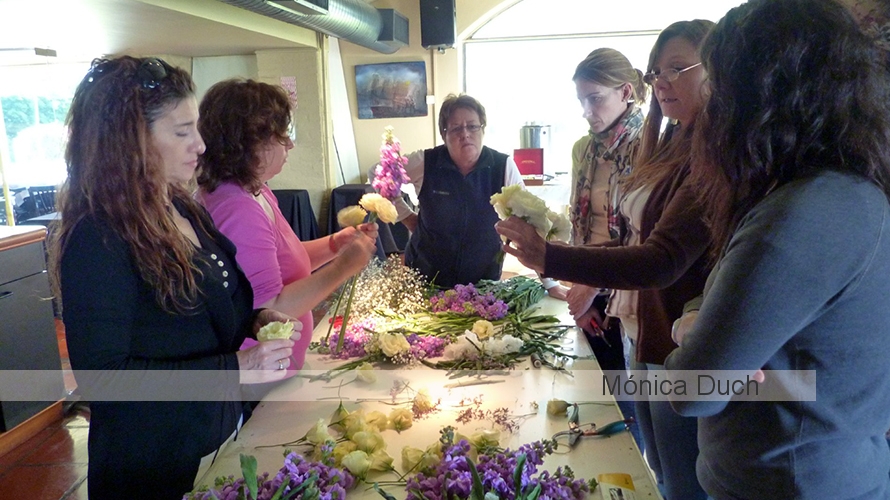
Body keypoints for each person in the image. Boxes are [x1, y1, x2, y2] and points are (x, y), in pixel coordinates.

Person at [664, 0, 890, 498]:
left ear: (757, 95)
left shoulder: (811, 209)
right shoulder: (826, 192)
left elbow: (691, 388)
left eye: (718, 87)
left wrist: (691, 329)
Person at [49, 57, 301, 500]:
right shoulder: (98, 235)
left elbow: (204, 307)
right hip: (154, 461)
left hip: (212, 434)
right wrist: (237, 367)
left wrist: (255, 319)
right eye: (182, 131)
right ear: (131, 142)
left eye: (197, 128)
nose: (200, 145)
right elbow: (104, 378)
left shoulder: (178, 207)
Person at [497, 20, 716, 500]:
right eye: (658, 70)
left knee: (681, 475)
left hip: (677, 330)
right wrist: (562, 260)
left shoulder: (706, 151)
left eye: (678, 68)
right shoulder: (671, 141)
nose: (663, 82)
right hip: (641, 318)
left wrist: (557, 261)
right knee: (657, 464)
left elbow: (660, 256)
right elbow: (621, 233)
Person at [197, 79, 376, 370]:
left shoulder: (255, 189)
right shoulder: (237, 208)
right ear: (249, 142)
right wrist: (344, 267)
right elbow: (271, 310)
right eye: (281, 135)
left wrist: (335, 245)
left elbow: (283, 258)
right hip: (263, 371)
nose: (289, 143)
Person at [566, 46, 648, 449]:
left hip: (628, 287)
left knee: (629, 406)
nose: (586, 110)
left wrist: (593, 286)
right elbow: (579, 227)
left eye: (594, 97)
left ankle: (631, 472)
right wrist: (580, 290)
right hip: (588, 285)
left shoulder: (651, 145)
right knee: (597, 395)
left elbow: (643, 235)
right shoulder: (584, 149)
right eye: (581, 99)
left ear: (626, 91)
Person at [382, 93, 531, 289]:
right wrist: (407, 216)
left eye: (472, 126)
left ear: (482, 129)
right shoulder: (426, 161)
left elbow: (527, 222)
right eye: (455, 128)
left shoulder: (503, 167)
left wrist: (549, 281)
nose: (465, 134)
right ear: (444, 134)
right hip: (425, 275)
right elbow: (380, 176)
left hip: (482, 278)